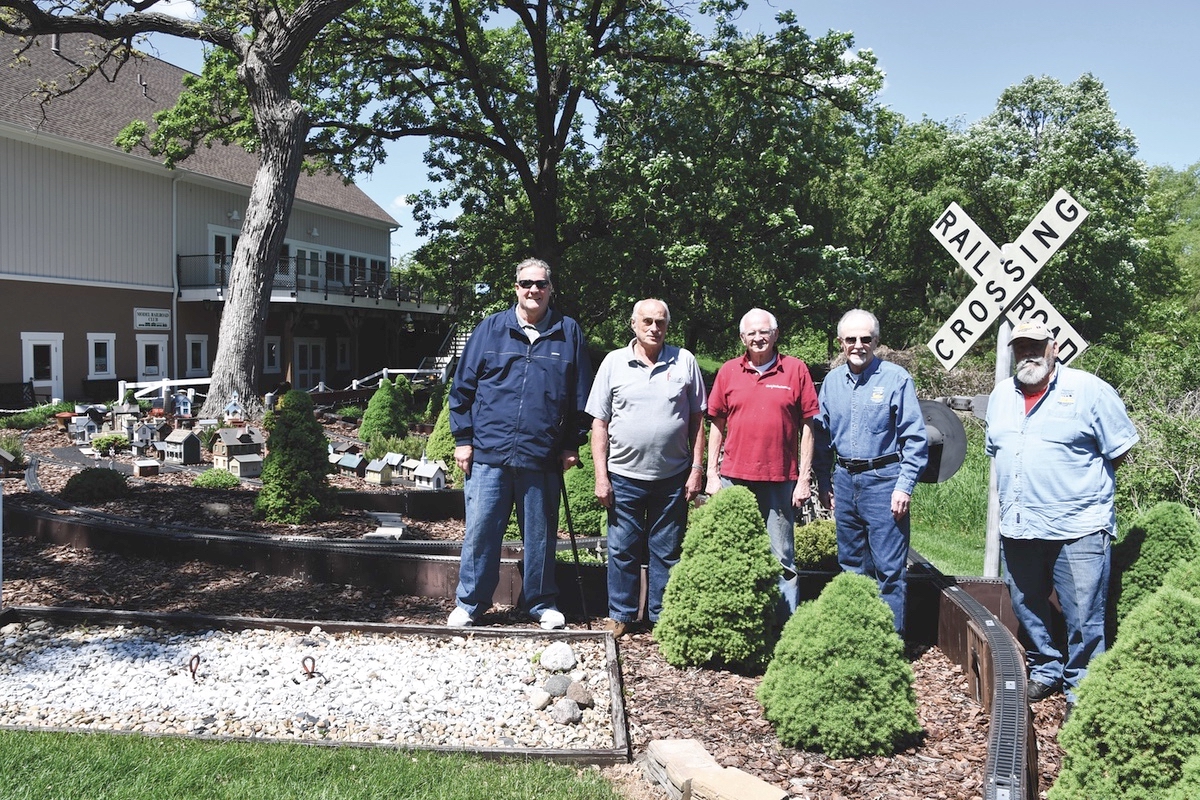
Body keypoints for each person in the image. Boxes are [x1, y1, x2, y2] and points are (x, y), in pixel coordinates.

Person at [985, 319, 1137, 713]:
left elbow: (1119, 450)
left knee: (1084, 616)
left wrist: (1076, 487)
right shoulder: (1002, 395)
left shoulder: (1089, 390)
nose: (1028, 353)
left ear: (1054, 348)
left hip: (1080, 526)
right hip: (1020, 525)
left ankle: (1082, 690)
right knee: (1025, 603)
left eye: (1036, 345)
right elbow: (998, 450)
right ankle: (1047, 669)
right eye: (1020, 347)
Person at [447, 258, 592, 630]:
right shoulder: (491, 329)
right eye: (526, 283)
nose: (533, 290)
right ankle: (471, 603)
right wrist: (463, 439)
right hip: (489, 454)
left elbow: (580, 395)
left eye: (541, 284)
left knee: (541, 535)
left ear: (550, 289)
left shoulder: (568, 332)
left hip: (540, 455)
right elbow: (462, 387)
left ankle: (542, 602)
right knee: (481, 532)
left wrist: (572, 443)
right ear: (516, 287)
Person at [586, 299, 707, 638]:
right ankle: (621, 614)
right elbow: (599, 423)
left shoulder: (685, 361)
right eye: (648, 321)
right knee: (622, 549)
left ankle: (661, 617)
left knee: (666, 552)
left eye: (661, 322)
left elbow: (698, 419)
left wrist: (697, 467)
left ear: (668, 325)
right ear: (633, 324)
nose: (654, 328)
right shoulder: (613, 362)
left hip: (672, 477)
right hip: (623, 475)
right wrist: (601, 475)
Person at [813, 309, 928, 635]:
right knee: (851, 566)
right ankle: (857, 636)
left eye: (866, 339)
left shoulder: (896, 379)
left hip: (885, 482)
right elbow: (821, 437)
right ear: (841, 343)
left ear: (876, 341)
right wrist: (824, 481)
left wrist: (904, 487)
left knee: (888, 570)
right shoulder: (832, 383)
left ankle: (888, 643)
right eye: (851, 339)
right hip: (845, 481)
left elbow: (915, 440)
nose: (858, 345)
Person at [705, 308, 818, 615]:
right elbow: (716, 423)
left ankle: (784, 629)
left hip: (779, 480)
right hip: (733, 478)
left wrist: (804, 479)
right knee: (730, 551)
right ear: (743, 337)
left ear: (775, 334)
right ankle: (736, 623)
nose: (758, 338)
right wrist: (711, 474)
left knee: (782, 558)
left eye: (764, 332)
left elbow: (808, 427)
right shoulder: (728, 371)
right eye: (751, 333)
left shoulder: (795, 370)